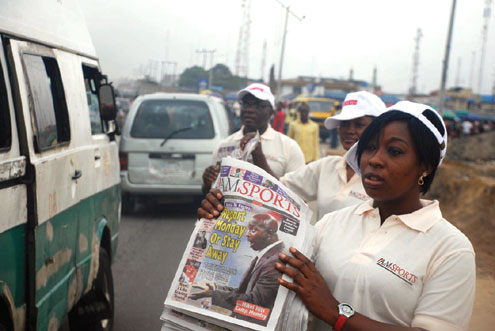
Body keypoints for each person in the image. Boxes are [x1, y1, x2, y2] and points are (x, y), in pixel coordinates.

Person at [274, 101, 475, 330]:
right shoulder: (333, 222)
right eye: (369, 147)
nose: (374, 160)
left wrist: (335, 312)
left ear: (425, 166)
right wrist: (230, 212)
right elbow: (279, 265)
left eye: (395, 151)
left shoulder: (450, 249)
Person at [280, 91, 386, 219]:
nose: (349, 130)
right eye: (344, 124)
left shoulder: (385, 176)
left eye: (359, 124)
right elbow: (279, 188)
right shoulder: (327, 166)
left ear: (378, 129)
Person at [201, 83, 305, 194]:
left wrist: (258, 156)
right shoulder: (224, 146)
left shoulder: (289, 147)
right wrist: (207, 183)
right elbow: (210, 194)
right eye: (246, 104)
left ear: (271, 112)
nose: (250, 110)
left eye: (259, 105)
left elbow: (297, 197)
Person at [189, 214, 285, 326]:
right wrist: (215, 287)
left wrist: (213, 294)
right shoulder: (264, 255)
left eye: (253, 230)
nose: (247, 234)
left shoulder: (275, 260)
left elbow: (254, 303)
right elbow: (242, 292)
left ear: (269, 234)